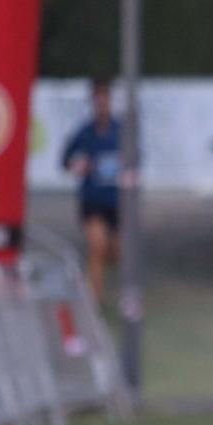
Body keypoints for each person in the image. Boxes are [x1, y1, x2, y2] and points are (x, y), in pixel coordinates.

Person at [59, 81, 121, 306]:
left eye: (105, 100)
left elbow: (136, 160)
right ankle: (93, 299)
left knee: (114, 251)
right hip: (92, 199)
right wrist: (79, 166)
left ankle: (112, 287)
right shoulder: (84, 132)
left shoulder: (120, 131)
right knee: (97, 246)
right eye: (98, 101)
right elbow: (65, 160)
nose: (102, 105)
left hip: (116, 201)